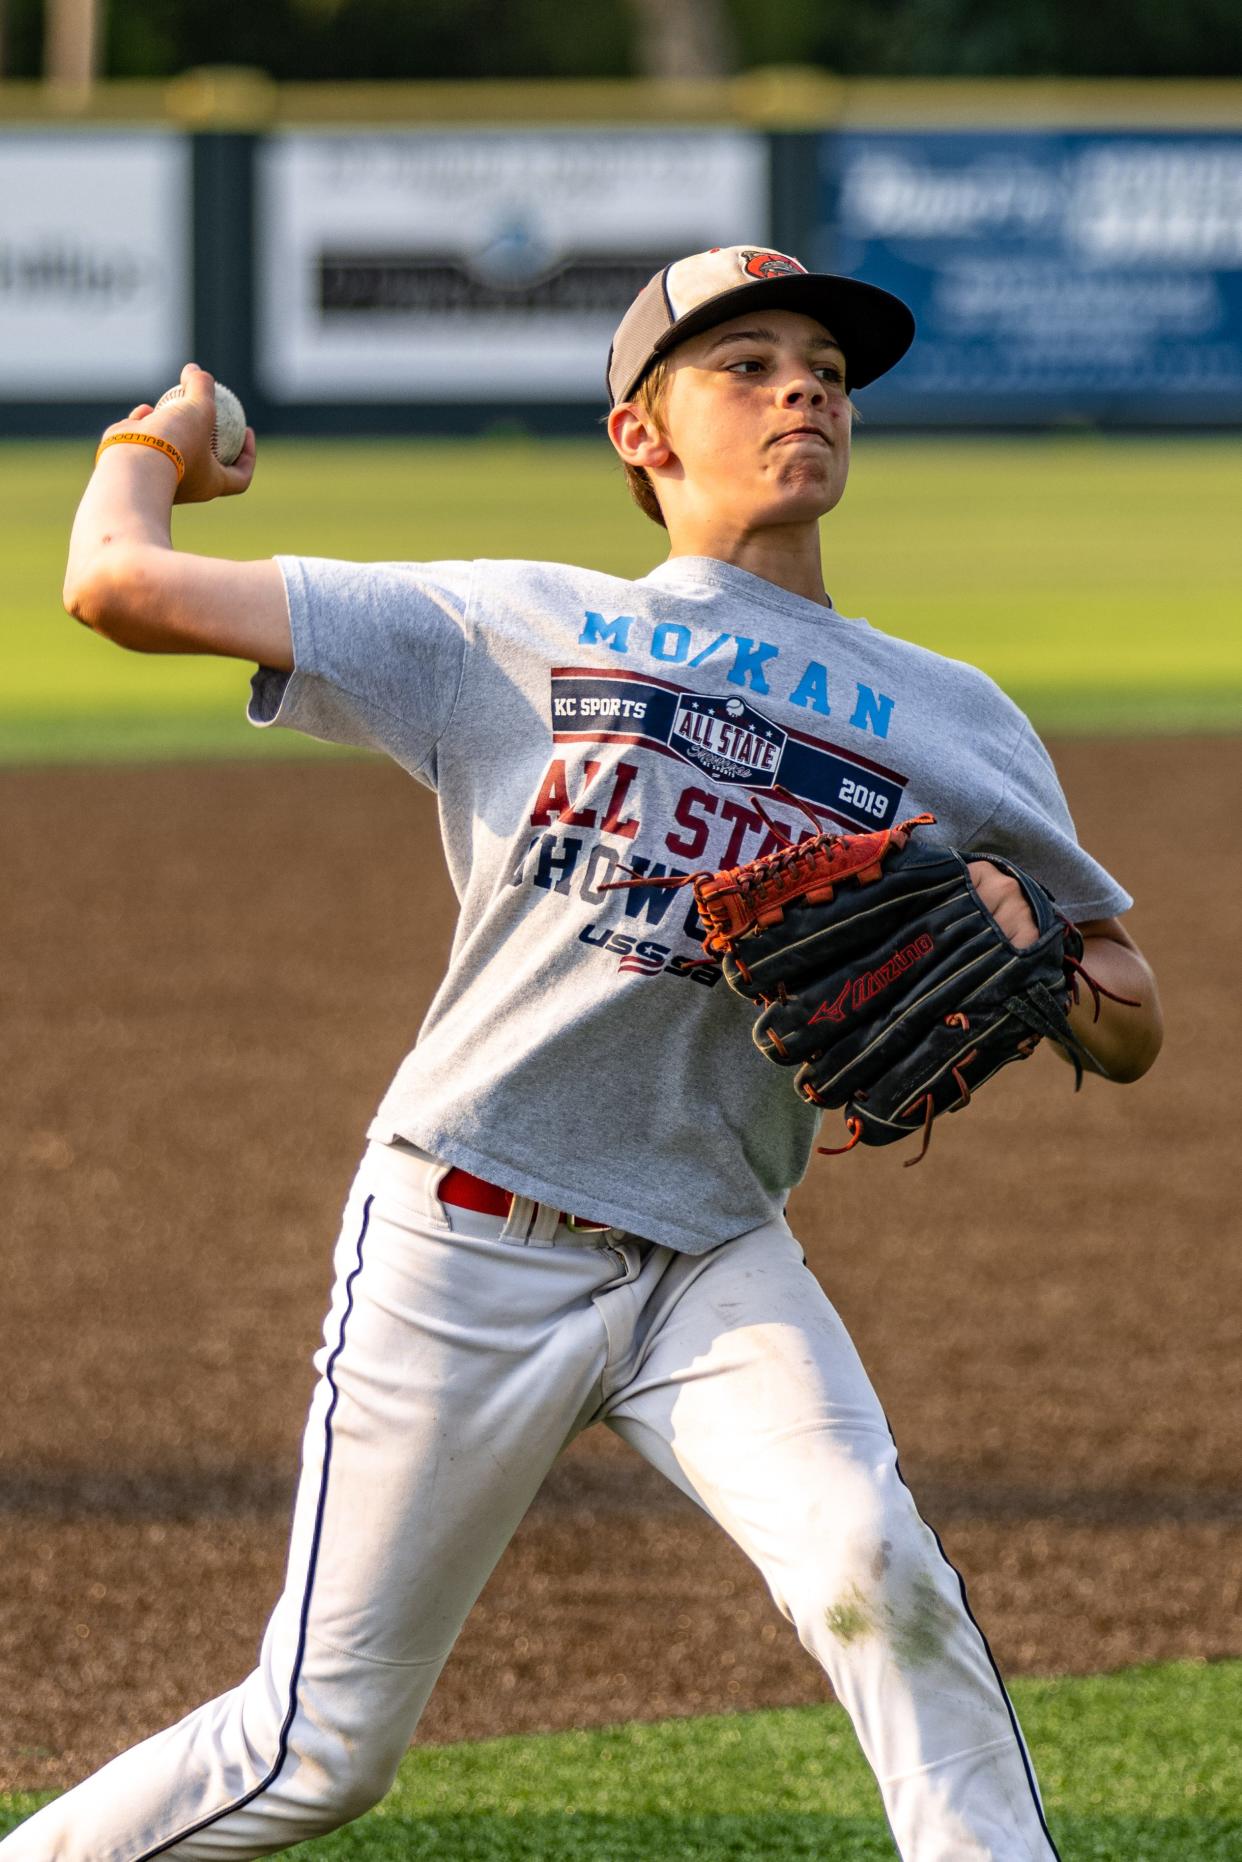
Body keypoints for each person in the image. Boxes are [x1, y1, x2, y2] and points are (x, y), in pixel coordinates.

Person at [7, 245, 1162, 1861]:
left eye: (821, 366)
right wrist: (155, 440)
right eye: (744, 364)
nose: (802, 388)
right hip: (467, 1237)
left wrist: (1030, 949)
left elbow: (1129, 1008)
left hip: (711, 1252)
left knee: (872, 1569)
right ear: (642, 433)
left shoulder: (953, 717)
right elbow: (115, 586)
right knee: (315, 1747)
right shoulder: (512, 623)